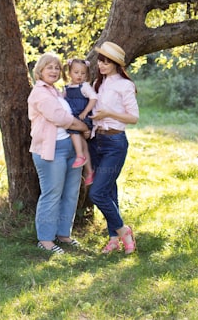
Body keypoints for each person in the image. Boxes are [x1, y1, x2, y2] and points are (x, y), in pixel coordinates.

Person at [27, 51, 92, 255]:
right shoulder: (39, 93)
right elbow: (60, 118)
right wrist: (83, 127)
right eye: (49, 67)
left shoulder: (56, 91)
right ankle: (45, 240)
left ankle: (64, 234)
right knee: (52, 194)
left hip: (72, 148)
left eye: (56, 67)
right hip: (50, 150)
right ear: (40, 71)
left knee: (71, 193)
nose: (54, 71)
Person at [88, 40, 139, 254]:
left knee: (97, 193)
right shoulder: (97, 84)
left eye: (106, 62)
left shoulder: (125, 85)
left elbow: (134, 117)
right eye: (100, 61)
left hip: (114, 143)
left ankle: (123, 230)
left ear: (116, 64)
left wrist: (108, 114)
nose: (101, 65)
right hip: (95, 141)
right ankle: (113, 239)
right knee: (109, 190)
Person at [63, 58, 97, 186]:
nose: (79, 75)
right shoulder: (67, 87)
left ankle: (79, 156)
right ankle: (89, 172)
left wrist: (85, 112)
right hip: (75, 118)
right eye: (76, 72)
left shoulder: (85, 86)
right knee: (84, 145)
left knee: (73, 132)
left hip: (82, 118)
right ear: (69, 73)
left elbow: (94, 98)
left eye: (83, 73)